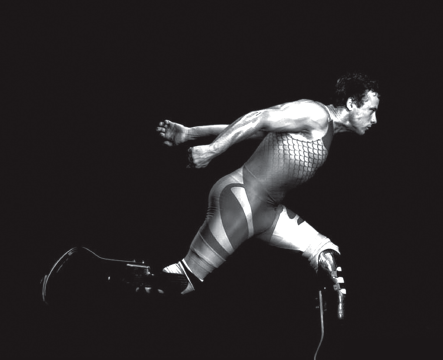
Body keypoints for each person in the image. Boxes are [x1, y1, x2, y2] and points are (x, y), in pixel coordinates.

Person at [153, 72, 379, 299]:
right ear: (352, 103)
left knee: (326, 254)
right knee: (183, 281)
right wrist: (212, 150)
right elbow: (258, 118)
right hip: (241, 199)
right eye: (371, 110)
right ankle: (133, 282)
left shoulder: (324, 130)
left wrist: (191, 133)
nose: (375, 119)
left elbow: (257, 131)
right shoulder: (316, 114)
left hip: (267, 212)